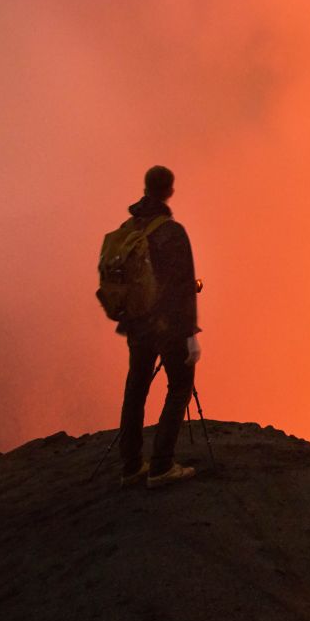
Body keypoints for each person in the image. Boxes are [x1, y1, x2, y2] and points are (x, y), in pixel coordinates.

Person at [116, 165, 202, 489]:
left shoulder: (128, 229)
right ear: (169, 191)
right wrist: (191, 335)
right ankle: (162, 465)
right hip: (167, 326)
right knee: (180, 386)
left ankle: (131, 466)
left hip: (136, 326)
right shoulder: (172, 232)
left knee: (135, 389)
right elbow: (182, 288)